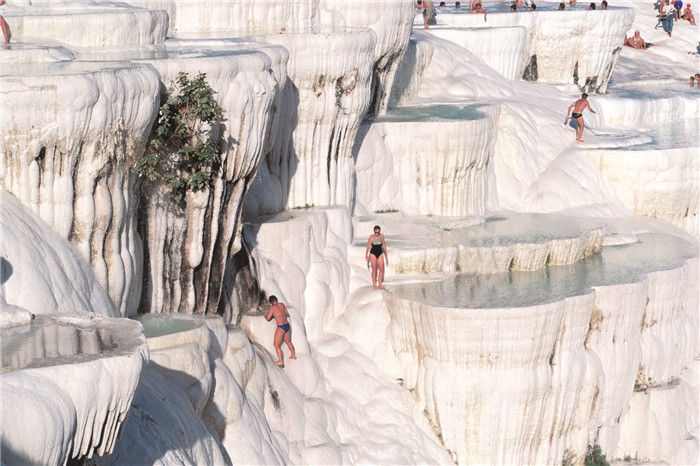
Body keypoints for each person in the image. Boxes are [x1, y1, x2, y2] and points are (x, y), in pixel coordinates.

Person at [263, 295, 297, 366]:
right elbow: (286, 313)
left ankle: (280, 361)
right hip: (287, 325)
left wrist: (265, 316)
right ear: (276, 300)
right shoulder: (282, 304)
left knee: (276, 344)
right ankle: (293, 355)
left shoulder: (272, 308)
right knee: (288, 341)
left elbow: (268, 318)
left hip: (281, 327)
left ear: (271, 302)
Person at [365, 225, 388, 289]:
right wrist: (366, 255)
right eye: (375, 232)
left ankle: (380, 283)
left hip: (380, 253)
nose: (377, 234)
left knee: (381, 269)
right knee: (374, 269)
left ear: (380, 231)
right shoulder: (371, 237)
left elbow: (384, 245)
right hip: (373, 254)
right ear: (374, 231)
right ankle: (375, 283)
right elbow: (368, 247)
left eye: (378, 232)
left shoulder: (382, 236)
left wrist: (386, 255)